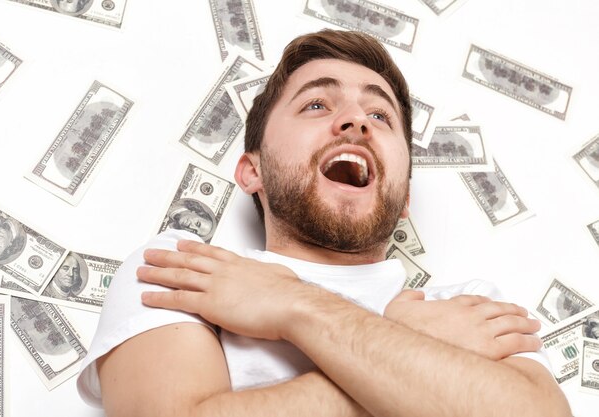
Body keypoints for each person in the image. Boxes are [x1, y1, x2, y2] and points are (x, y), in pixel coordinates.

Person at [77, 29, 572, 417]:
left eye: (380, 116)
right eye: (317, 104)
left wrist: (295, 305)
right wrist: (413, 347)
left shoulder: (469, 307)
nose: (356, 121)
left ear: (404, 198)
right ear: (254, 170)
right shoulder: (187, 271)